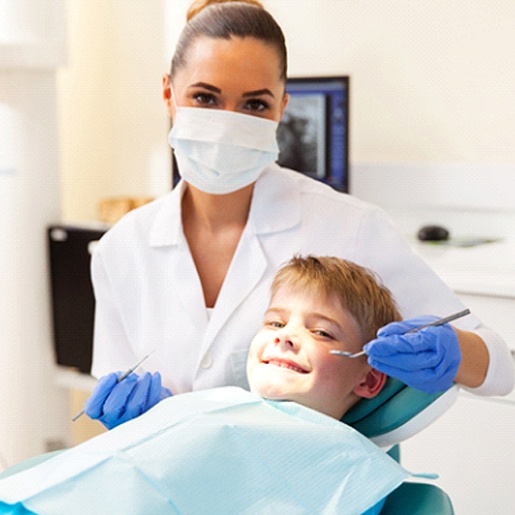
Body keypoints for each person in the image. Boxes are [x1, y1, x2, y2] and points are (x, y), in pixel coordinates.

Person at [87, 0, 513, 429]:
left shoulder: (349, 228)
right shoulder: (120, 250)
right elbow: (117, 390)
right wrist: (125, 416)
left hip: (310, 487)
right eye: (205, 97)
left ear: (281, 109)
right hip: (173, 479)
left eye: (254, 105)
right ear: (168, 95)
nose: (227, 124)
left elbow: (502, 367)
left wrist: (454, 351)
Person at [0, 257, 412, 514]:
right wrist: (148, 429)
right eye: (274, 322)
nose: (285, 336)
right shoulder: (214, 406)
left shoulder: (350, 468)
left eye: (322, 333)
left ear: (370, 378)